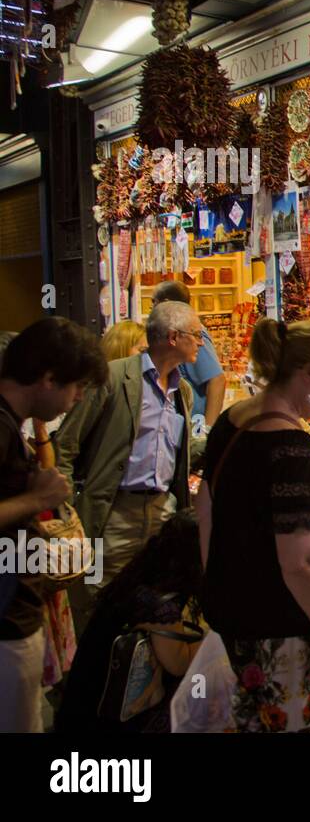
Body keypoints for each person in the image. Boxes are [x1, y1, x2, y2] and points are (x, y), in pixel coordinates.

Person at [197, 319, 310, 732]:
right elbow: (302, 561)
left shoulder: (231, 424)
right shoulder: (292, 454)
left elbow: (205, 506)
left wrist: (217, 585)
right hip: (282, 633)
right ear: (306, 375)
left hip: (232, 622)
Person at [0, 318, 108, 732]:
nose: (76, 399)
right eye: (75, 387)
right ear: (47, 378)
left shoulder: (13, 425)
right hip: (7, 623)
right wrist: (36, 500)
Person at [55, 301, 199, 600]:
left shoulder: (181, 391)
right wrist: (68, 507)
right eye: (196, 334)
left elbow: (178, 450)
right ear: (173, 337)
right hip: (113, 514)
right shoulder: (113, 377)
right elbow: (66, 445)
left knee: (154, 600)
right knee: (99, 596)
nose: (200, 341)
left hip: (160, 512)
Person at [54, 512, 204, 733]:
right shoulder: (159, 605)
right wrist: (207, 639)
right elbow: (179, 664)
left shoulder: (140, 577)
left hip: (83, 700)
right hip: (108, 717)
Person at [151, 281, 227, 429]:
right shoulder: (176, 334)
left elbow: (217, 380)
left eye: (154, 302)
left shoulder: (190, 335)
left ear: (165, 303)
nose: (151, 308)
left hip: (194, 425)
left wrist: (205, 431)